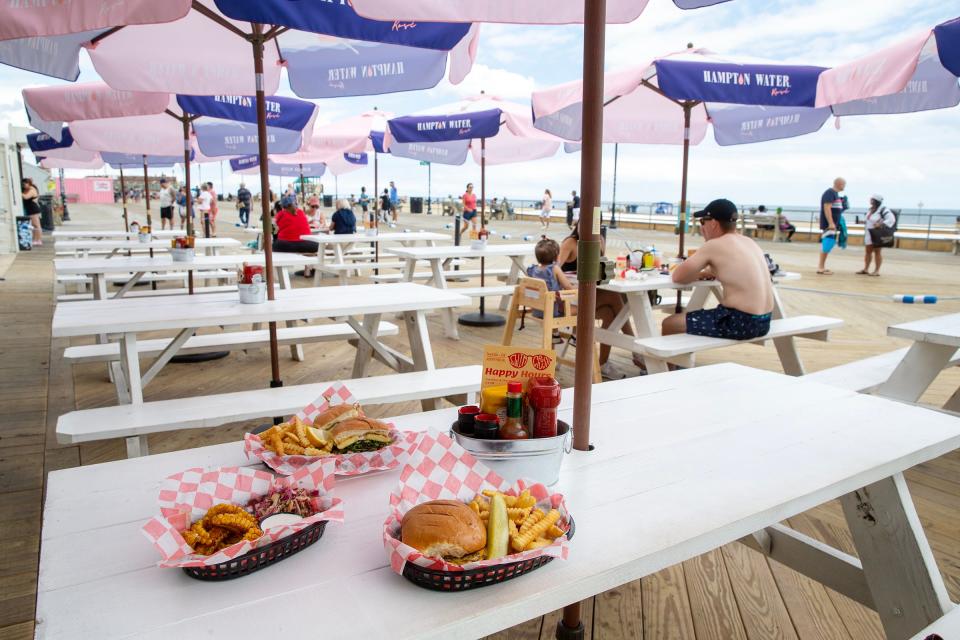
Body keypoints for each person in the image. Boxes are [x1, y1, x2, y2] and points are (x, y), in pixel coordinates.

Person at [662, 199, 774, 341]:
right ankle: (678, 360)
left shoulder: (714, 245)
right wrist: (705, 273)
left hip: (740, 322)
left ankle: (670, 363)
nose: (701, 227)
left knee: (670, 323)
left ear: (713, 223)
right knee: (692, 318)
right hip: (764, 321)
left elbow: (678, 277)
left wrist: (699, 270)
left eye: (703, 222)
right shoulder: (749, 242)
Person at [557, 222, 641, 379]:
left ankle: (602, 363)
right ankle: (637, 351)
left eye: (592, 222)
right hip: (571, 298)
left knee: (611, 313)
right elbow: (555, 268)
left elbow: (599, 268)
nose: (588, 226)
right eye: (584, 221)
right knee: (615, 298)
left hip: (589, 294)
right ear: (578, 224)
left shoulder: (600, 240)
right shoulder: (571, 243)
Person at [527, 237, 576, 322]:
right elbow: (568, 287)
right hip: (552, 311)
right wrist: (577, 290)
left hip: (536, 309)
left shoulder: (533, 269)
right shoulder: (555, 269)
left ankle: (555, 333)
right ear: (557, 256)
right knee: (581, 310)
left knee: (553, 297)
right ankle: (575, 335)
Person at [273, 196, 318, 276]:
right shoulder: (301, 212)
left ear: (283, 206)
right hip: (308, 245)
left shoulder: (281, 214)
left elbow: (272, 229)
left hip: (287, 245)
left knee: (274, 245)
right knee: (316, 245)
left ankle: (280, 272)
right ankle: (307, 270)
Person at [858, 194, 896, 276]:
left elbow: (891, 219)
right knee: (868, 251)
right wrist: (862, 221)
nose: (870, 200)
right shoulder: (871, 209)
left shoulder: (883, 209)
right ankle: (866, 269)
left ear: (876, 200)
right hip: (869, 233)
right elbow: (869, 220)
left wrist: (880, 224)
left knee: (877, 252)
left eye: (872, 199)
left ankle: (876, 271)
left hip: (877, 233)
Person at [818, 177, 846, 275]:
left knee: (829, 243)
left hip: (833, 224)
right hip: (829, 225)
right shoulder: (830, 193)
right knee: (827, 243)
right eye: (844, 184)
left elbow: (835, 209)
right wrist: (830, 223)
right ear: (839, 184)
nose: (845, 186)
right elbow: (827, 208)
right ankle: (820, 267)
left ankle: (822, 266)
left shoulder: (836, 194)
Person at [21, 178, 42, 246]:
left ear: (29, 183)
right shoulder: (26, 190)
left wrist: (19, 192)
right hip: (29, 209)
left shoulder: (32, 189)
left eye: (25, 184)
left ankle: (38, 240)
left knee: (37, 225)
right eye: (23, 184)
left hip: (33, 209)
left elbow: (26, 197)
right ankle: (34, 239)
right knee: (33, 226)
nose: (24, 185)